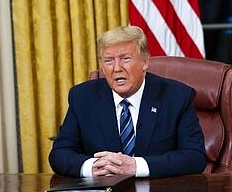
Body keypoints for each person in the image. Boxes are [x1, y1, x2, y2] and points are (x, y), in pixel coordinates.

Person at [48, 25, 207, 179]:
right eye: (109, 61)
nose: (117, 68)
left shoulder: (176, 97)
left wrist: (136, 166)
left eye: (125, 59)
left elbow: (195, 157)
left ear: (144, 62)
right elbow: (59, 154)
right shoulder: (82, 97)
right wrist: (93, 166)